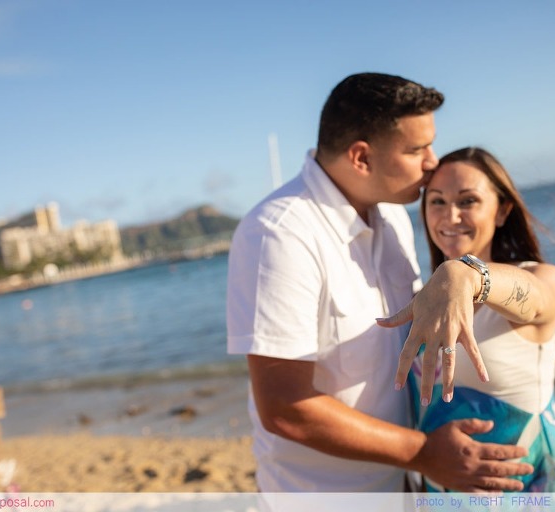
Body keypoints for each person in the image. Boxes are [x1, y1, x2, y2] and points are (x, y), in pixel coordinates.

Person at [226, 72, 533, 492]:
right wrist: (424, 452)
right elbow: (283, 407)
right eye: (417, 148)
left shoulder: (391, 215)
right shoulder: (278, 233)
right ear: (361, 158)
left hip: (405, 485)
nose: (432, 161)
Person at [377, 147, 555, 492]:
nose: (450, 216)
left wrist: (468, 275)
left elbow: (537, 300)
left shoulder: (543, 276)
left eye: (468, 201)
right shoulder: (425, 301)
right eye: (437, 201)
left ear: (502, 211)